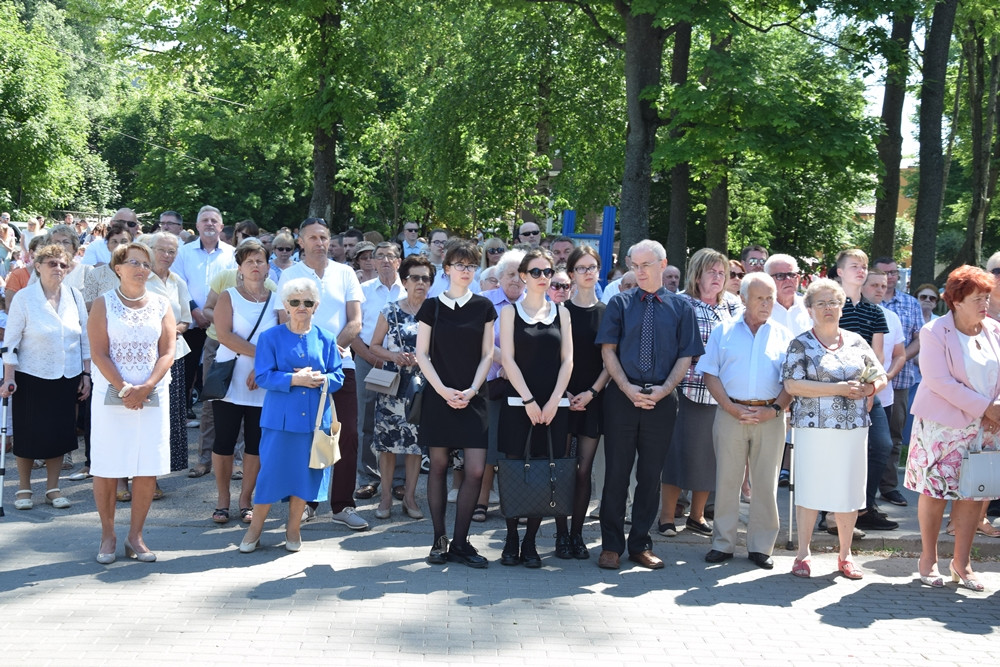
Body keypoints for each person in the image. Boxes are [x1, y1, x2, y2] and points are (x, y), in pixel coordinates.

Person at [595, 240, 704, 570]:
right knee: (616, 473)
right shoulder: (620, 303)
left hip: (662, 400)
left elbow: (686, 355)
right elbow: (608, 350)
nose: (639, 271)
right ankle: (611, 545)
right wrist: (627, 388)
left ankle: (640, 544)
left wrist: (664, 389)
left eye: (646, 265)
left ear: (663, 264)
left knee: (650, 475)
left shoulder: (681, 307)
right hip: (622, 398)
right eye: (634, 266)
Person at [782, 278, 886, 579]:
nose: (828, 308)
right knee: (810, 487)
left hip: (853, 429)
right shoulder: (800, 343)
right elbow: (792, 385)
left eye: (834, 302)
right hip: (813, 428)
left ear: (842, 307)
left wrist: (869, 389)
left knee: (848, 489)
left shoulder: (856, 341)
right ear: (810, 309)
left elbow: (879, 375)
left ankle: (845, 554)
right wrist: (839, 388)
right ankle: (803, 553)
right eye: (821, 303)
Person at [904, 266, 1000, 590]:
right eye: (978, 299)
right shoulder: (934, 331)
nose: (985, 304)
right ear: (956, 301)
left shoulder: (995, 330)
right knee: (935, 493)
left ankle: (962, 563)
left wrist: (996, 407)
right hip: (942, 426)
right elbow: (938, 381)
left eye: (987, 297)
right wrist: (985, 407)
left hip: (987, 427)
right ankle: (928, 559)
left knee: (974, 495)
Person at [238, 278, 345, 553]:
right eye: (295, 302)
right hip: (280, 421)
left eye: (307, 302)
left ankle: (293, 528)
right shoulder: (270, 337)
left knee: (304, 477)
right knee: (270, 475)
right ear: (285, 305)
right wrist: (295, 379)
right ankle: (255, 529)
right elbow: (263, 376)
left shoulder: (327, 338)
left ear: (316, 306)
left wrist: (321, 379)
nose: (301, 307)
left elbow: (339, 376)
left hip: (314, 421)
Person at [87, 242, 177, 564]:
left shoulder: (162, 304)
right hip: (111, 395)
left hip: (152, 394)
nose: (141, 268)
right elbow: (99, 352)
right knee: (107, 465)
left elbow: (168, 351)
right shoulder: (103, 303)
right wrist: (125, 388)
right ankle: (108, 535)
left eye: (146, 263)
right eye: (134, 262)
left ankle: (135, 536)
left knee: (146, 465)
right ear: (118, 268)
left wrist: (147, 386)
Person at [278, 218, 367, 530]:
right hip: (303, 369)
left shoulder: (345, 273)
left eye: (324, 237)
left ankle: (343, 505)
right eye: (313, 238)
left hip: (341, 365)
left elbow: (355, 322)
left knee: (348, 434)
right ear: (301, 242)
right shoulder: (289, 275)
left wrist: (330, 352)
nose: (320, 243)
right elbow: (284, 321)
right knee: (307, 436)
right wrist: (309, 356)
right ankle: (305, 503)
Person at [699, 273, 793, 568]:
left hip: (770, 416)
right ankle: (723, 543)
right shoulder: (724, 331)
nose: (766, 304)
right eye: (760, 298)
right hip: (731, 413)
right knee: (727, 480)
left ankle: (761, 547)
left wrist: (775, 410)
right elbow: (710, 373)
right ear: (743, 298)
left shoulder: (784, 335)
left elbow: (791, 382)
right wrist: (729, 407)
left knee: (766, 483)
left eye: (770, 298)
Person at [416, 240, 496, 568]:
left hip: (474, 397)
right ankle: (439, 539)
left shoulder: (484, 306)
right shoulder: (431, 307)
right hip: (439, 397)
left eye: (471, 265)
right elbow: (422, 354)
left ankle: (461, 542)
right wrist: (444, 390)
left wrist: (473, 389)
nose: (466, 271)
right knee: (437, 467)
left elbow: (488, 354)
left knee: (475, 470)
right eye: (460, 265)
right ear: (446, 268)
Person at [497, 248, 573, 568]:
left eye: (548, 272)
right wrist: (529, 400)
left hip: (554, 406)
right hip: (519, 403)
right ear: (524, 276)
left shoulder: (562, 313)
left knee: (544, 471)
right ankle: (511, 538)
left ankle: (530, 542)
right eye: (536, 272)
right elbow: (508, 359)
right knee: (515, 470)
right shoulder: (510, 312)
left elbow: (568, 360)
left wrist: (553, 400)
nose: (544, 277)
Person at [660, 248, 743, 538]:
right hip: (685, 390)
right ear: (697, 274)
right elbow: (670, 345)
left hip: (720, 394)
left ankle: (697, 517)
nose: (718, 277)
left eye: (722, 273)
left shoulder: (733, 306)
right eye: (712, 272)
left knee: (709, 458)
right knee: (676, 455)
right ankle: (666, 517)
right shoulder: (680, 303)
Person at [2, 243, 91, 511]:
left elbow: (84, 338)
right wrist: (8, 377)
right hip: (31, 375)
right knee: (28, 433)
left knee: (60, 433)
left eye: (63, 264)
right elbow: (11, 341)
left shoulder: (74, 296)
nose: (58, 268)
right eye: (52, 263)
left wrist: (86, 374)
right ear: (38, 266)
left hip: (67, 375)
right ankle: (24, 487)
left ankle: (53, 488)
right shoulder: (24, 298)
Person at [211, 240, 277, 525]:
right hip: (230, 379)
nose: (255, 265)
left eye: (259, 260)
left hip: (263, 382)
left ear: (268, 267)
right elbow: (224, 335)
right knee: (224, 440)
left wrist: (263, 368)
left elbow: (283, 339)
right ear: (239, 267)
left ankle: (245, 499)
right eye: (249, 261)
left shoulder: (277, 300)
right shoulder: (228, 296)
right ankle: (223, 499)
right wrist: (262, 358)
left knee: (256, 443)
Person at [830, 248, 897, 532]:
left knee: (881, 445)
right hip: (834, 390)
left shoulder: (874, 311)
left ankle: (864, 508)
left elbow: (877, 356)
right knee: (838, 452)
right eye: (854, 266)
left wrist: (869, 389)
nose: (861, 270)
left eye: (864, 266)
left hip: (867, 389)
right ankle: (829, 511)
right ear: (840, 272)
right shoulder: (830, 305)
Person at [369, 255, 434, 520]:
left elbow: (444, 348)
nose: (421, 283)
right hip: (393, 384)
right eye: (415, 277)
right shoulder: (390, 310)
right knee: (387, 444)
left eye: (426, 278)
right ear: (404, 281)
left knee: (415, 444)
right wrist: (394, 356)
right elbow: (374, 346)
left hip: (422, 386)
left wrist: (424, 358)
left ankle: (410, 496)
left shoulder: (436, 311)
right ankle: (385, 496)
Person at [174, 205, 236, 477]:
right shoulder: (184, 252)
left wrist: (215, 317)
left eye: (214, 220)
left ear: (221, 227)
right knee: (200, 393)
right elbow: (179, 285)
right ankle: (203, 459)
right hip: (191, 324)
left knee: (232, 395)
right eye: (205, 220)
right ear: (197, 226)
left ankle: (234, 459)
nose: (210, 224)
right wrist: (196, 312)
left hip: (225, 331)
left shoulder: (233, 254)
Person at [556, 245, 609, 560]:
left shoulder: (608, 313)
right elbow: (554, 358)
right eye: (581, 268)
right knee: (562, 468)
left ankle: (577, 535)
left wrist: (592, 392)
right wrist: (563, 393)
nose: (588, 273)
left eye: (592, 267)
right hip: (562, 398)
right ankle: (561, 534)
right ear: (571, 274)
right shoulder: (560, 312)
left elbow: (610, 362)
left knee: (582, 471)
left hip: (593, 398)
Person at [475, 249, 526, 522]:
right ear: (499, 276)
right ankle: (481, 500)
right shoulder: (484, 301)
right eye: (510, 274)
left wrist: (516, 367)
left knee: (518, 446)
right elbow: (477, 340)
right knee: (490, 445)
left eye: (521, 274)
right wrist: (505, 362)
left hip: (525, 387)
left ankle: (514, 502)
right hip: (492, 384)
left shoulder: (535, 303)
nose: (516, 279)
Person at [351, 242, 405, 501]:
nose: (385, 260)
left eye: (390, 256)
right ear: (372, 262)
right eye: (379, 256)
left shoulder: (409, 290)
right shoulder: (362, 291)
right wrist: (373, 358)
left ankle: (399, 480)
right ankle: (367, 478)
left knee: (402, 419)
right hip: (368, 360)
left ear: (399, 262)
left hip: (402, 362)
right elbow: (352, 331)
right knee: (366, 420)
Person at [873, 256, 923, 509]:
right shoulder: (865, 303)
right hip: (869, 383)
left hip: (899, 380)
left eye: (893, 273)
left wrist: (899, 359)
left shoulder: (910, 303)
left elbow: (918, 338)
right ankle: (863, 493)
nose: (890, 278)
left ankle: (889, 486)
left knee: (893, 436)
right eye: (884, 274)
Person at [145, 233, 193, 481]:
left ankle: (155, 475)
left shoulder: (178, 282)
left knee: (169, 415)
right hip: (145, 355)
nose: (166, 255)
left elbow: (186, 319)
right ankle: (138, 474)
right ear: (150, 249)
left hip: (175, 354)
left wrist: (172, 331)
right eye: (161, 250)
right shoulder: (141, 277)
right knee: (146, 413)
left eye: (172, 251)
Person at [83, 223, 131, 307]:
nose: (119, 245)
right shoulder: (95, 274)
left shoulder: (139, 273)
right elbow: (88, 306)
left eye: (124, 241)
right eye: (114, 242)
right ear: (108, 245)